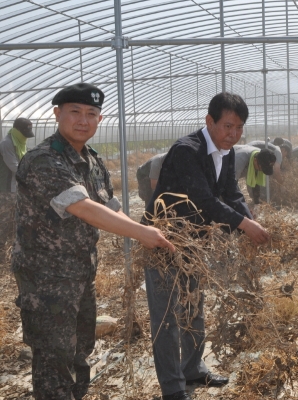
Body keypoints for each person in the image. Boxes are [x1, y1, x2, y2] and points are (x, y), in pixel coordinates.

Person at [12, 83, 174, 400]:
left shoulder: (93, 161)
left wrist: (150, 231)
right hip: (45, 279)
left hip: (81, 274)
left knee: (80, 350)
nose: (83, 120)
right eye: (75, 112)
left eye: (91, 114)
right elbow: (82, 208)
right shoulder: (42, 160)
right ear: (58, 114)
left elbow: (109, 207)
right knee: (54, 358)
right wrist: (143, 234)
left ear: (99, 120)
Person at [143, 92, 269, 400]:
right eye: (228, 126)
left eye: (239, 128)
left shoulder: (226, 153)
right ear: (209, 121)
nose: (233, 134)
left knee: (193, 305)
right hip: (164, 241)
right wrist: (246, 226)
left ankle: (193, 369)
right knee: (167, 318)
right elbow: (205, 200)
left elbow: (232, 193)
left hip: (194, 243)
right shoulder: (187, 151)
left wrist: (250, 219)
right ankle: (173, 389)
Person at [0, 118, 34, 247]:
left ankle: (11, 245)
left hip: (15, 187)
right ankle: (2, 249)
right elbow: (15, 167)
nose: (26, 137)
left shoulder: (19, 142)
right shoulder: (6, 143)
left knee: (15, 218)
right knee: (4, 219)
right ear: (17, 131)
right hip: (6, 189)